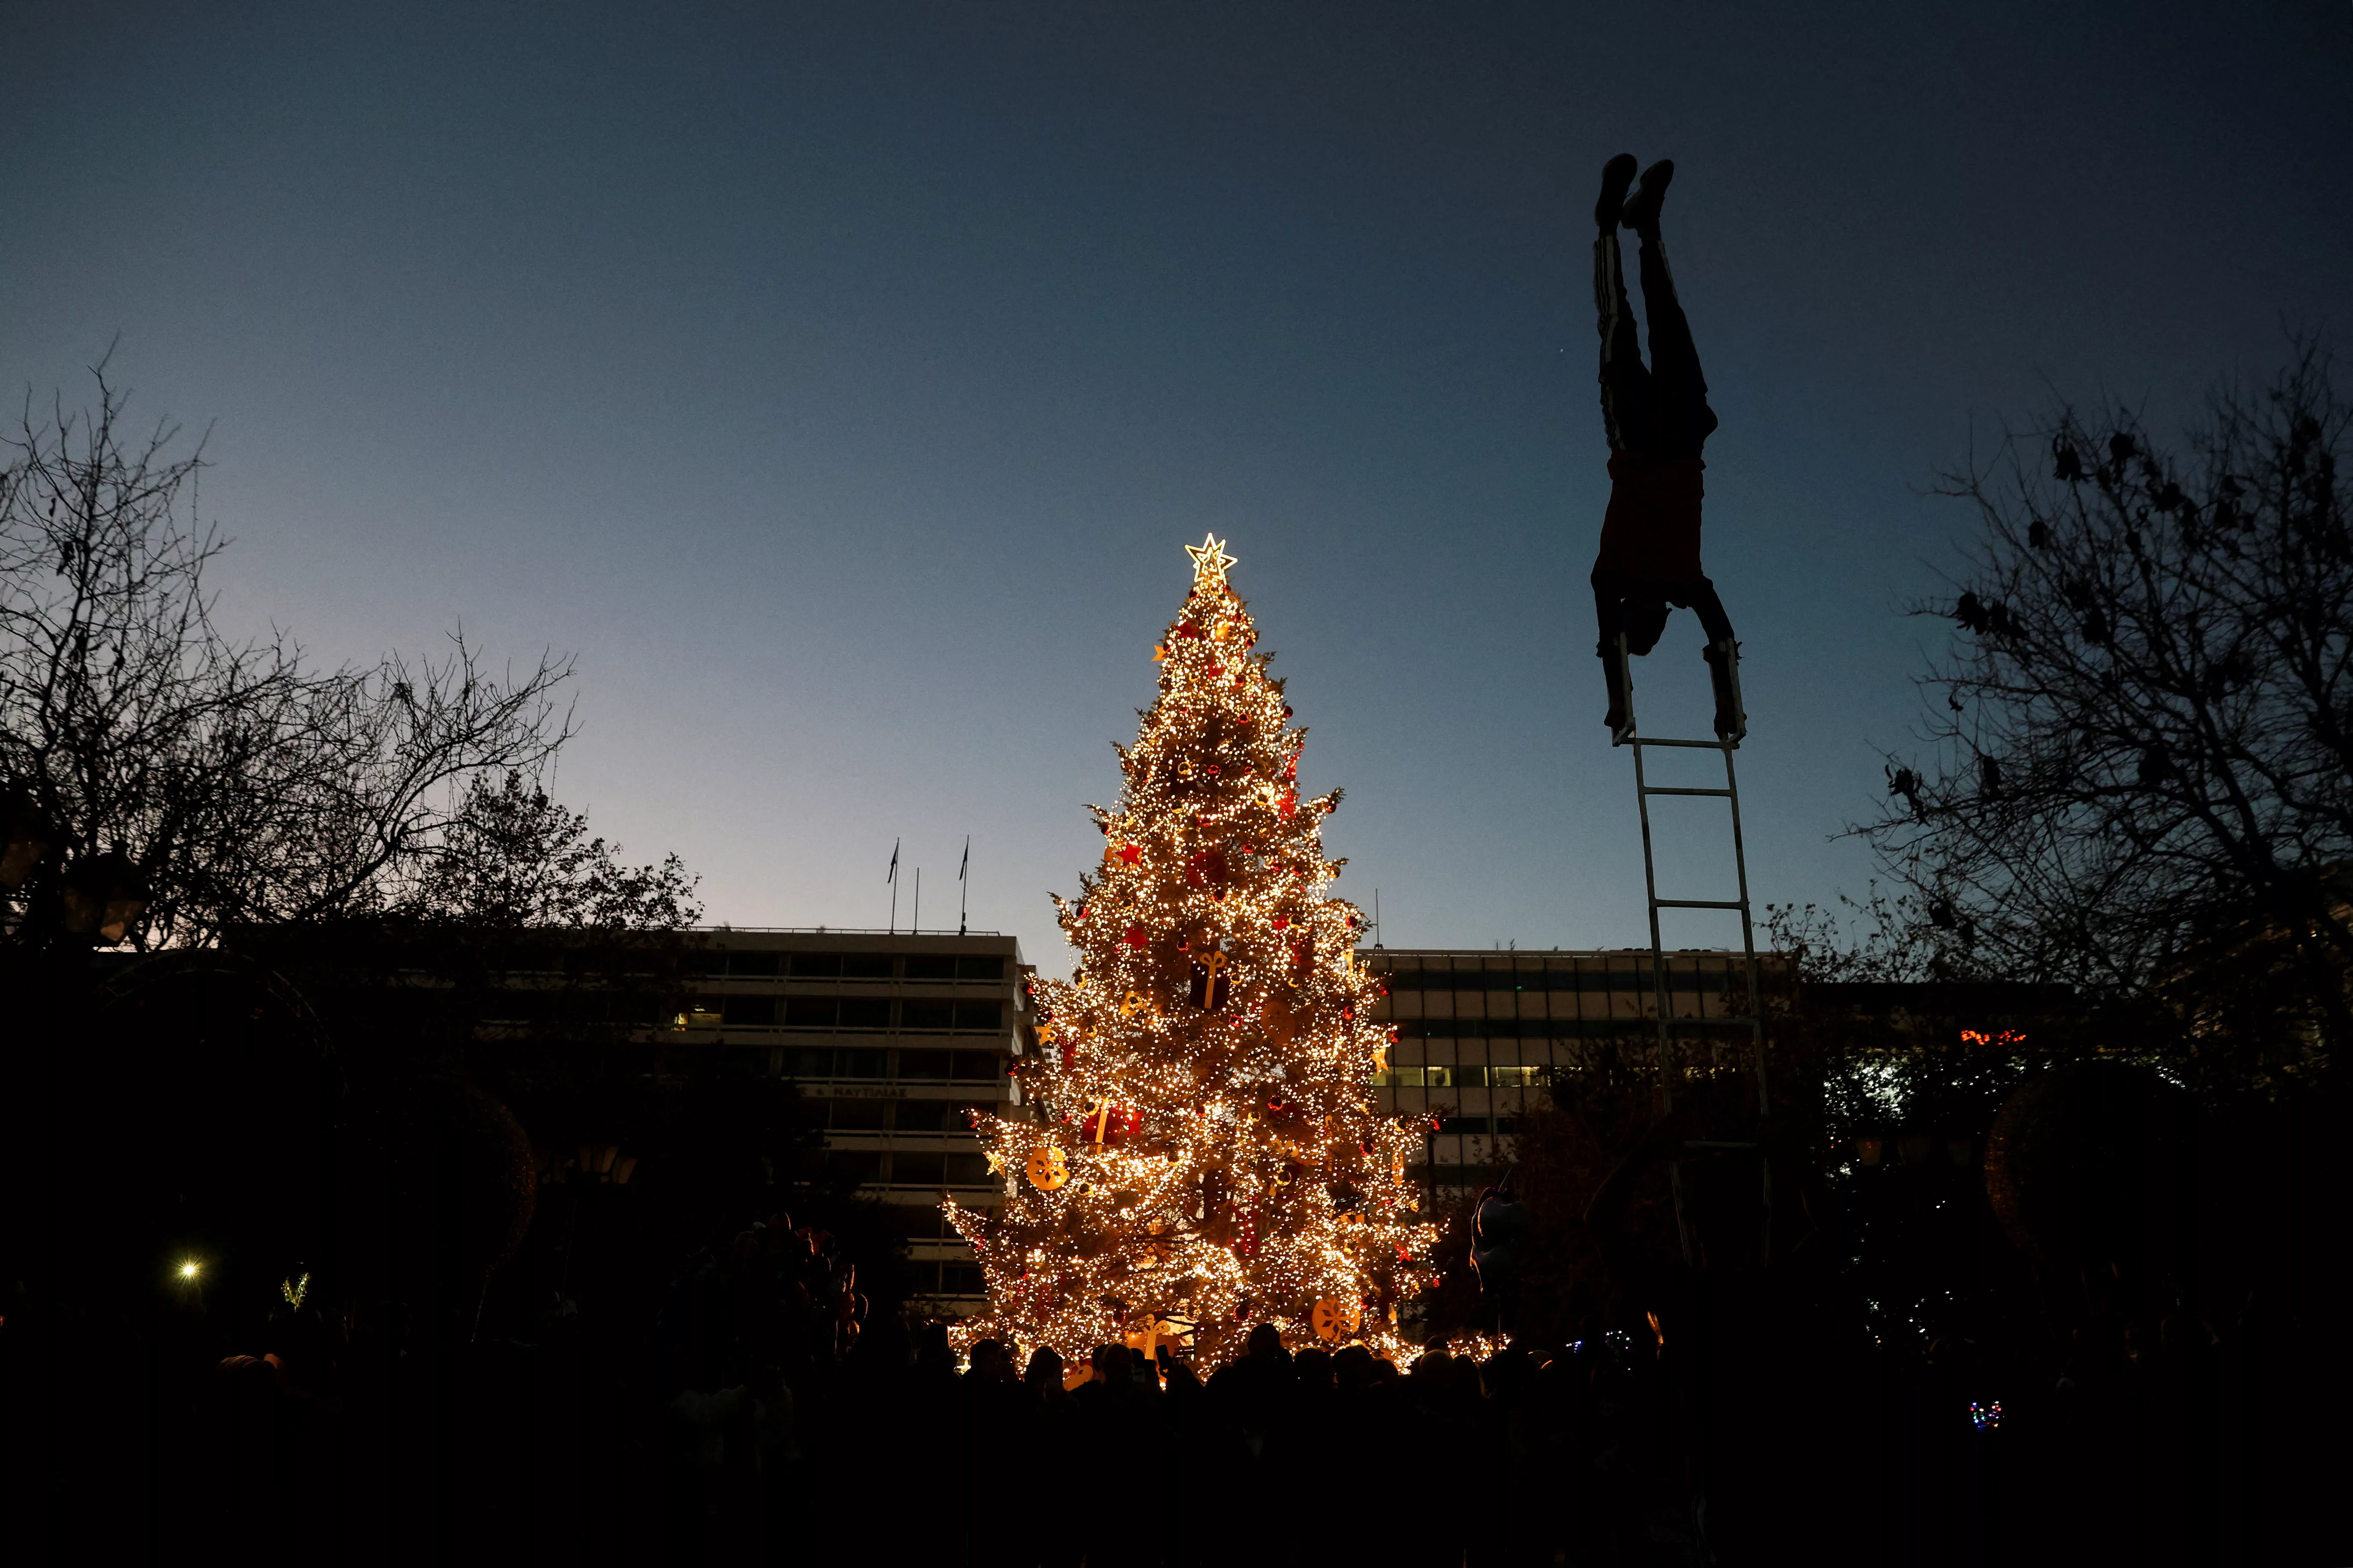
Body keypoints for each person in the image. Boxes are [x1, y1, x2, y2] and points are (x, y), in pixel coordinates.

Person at [1589, 154, 1745, 743]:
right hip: (1667, 441)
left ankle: (1623, 226)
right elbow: (1617, 644)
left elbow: (1719, 642)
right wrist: (1729, 712)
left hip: (1660, 443)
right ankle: (1635, 226)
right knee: (1642, 323)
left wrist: (1622, 705)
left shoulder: (1661, 582)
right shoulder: (1656, 582)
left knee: (1641, 324)